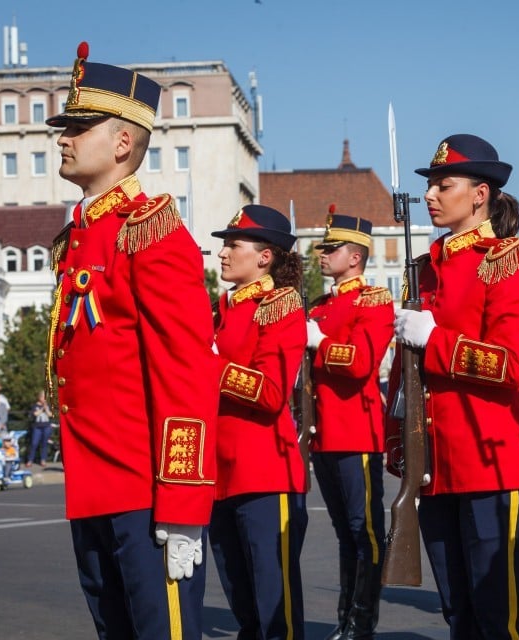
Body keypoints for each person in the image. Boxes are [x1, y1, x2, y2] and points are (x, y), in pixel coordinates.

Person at [45, 41, 220, 639]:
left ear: (123, 142)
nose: (62, 138)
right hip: (94, 487)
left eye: (78, 126)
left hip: (146, 492)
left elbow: (186, 372)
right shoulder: (82, 237)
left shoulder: (151, 233)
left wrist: (183, 502)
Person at [388, 134, 519, 639]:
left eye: (443, 184)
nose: (431, 195)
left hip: (492, 460)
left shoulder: (506, 261)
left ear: (480, 194)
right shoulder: (427, 269)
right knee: (459, 613)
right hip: (437, 464)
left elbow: (512, 363)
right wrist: (400, 441)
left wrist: (436, 341)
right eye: (431, 185)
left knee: (501, 615)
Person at [209, 205, 309, 640]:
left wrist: (207, 366)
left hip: (263, 473)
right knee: (244, 607)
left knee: (275, 612)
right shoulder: (221, 310)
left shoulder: (279, 306)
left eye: (233, 245)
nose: (223, 254)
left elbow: (270, 393)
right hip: (218, 474)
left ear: (265, 256)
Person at [305, 211, 394, 639]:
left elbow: (360, 363)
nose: (323, 255)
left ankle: (362, 622)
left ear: (355, 257)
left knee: (365, 532)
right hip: (324, 436)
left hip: (356, 432)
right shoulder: (321, 305)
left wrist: (320, 343)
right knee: (345, 533)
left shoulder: (373, 301)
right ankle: (345, 618)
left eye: (331, 248)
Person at [26, 390, 53, 468]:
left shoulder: (48, 405)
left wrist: (46, 408)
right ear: (39, 397)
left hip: (46, 427)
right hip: (37, 427)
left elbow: (50, 415)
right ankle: (30, 460)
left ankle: (43, 460)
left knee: (44, 444)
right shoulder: (35, 406)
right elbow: (35, 414)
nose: (44, 399)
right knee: (34, 444)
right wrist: (42, 409)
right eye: (42, 397)